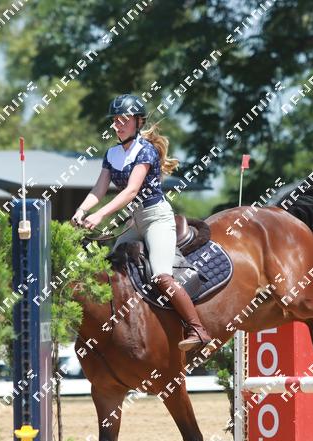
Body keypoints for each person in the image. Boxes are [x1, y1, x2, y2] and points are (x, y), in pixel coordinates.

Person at [71, 93, 212, 351]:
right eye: (115, 120)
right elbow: (99, 189)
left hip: (157, 218)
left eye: (124, 119)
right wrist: (81, 210)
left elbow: (131, 191)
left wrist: (100, 215)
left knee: (160, 275)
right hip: (133, 222)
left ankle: (198, 329)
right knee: (110, 273)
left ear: (138, 122)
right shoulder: (111, 154)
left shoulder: (145, 150)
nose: (118, 124)